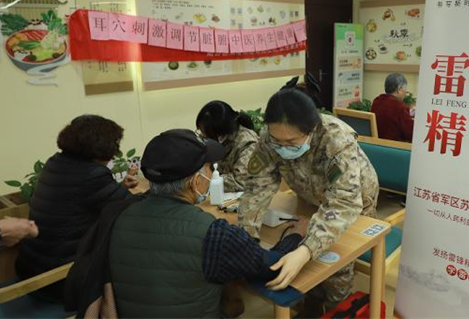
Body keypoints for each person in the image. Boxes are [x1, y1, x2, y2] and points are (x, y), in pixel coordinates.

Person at [66, 129, 306, 318]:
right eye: (208, 167)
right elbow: (271, 268)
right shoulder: (213, 234)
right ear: (195, 181)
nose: (212, 172)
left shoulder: (118, 213)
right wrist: (295, 236)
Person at [238, 88, 379, 315]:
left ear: (312, 130)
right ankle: (312, 302)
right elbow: (257, 187)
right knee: (302, 257)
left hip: (355, 200)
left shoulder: (336, 139)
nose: (282, 147)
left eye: (292, 142)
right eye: (277, 141)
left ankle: (335, 309)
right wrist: (246, 238)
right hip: (310, 195)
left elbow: (343, 203)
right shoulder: (270, 136)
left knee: (336, 264)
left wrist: (306, 250)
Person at [15, 114, 138, 301]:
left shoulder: (56, 162)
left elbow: (78, 202)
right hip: (62, 280)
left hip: (32, 269)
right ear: (101, 148)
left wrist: (117, 188)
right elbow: (134, 210)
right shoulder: (92, 174)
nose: (115, 153)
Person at [196, 101, 258, 192]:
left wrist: (204, 182)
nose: (203, 136)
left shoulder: (248, 143)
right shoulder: (211, 137)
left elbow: (240, 181)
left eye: (206, 134)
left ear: (219, 132)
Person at [370, 73, 414, 142]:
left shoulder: (377, 101)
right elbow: (411, 134)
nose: (406, 93)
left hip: (377, 145)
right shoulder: (400, 107)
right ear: (399, 89)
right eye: (405, 89)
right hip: (395, 148)